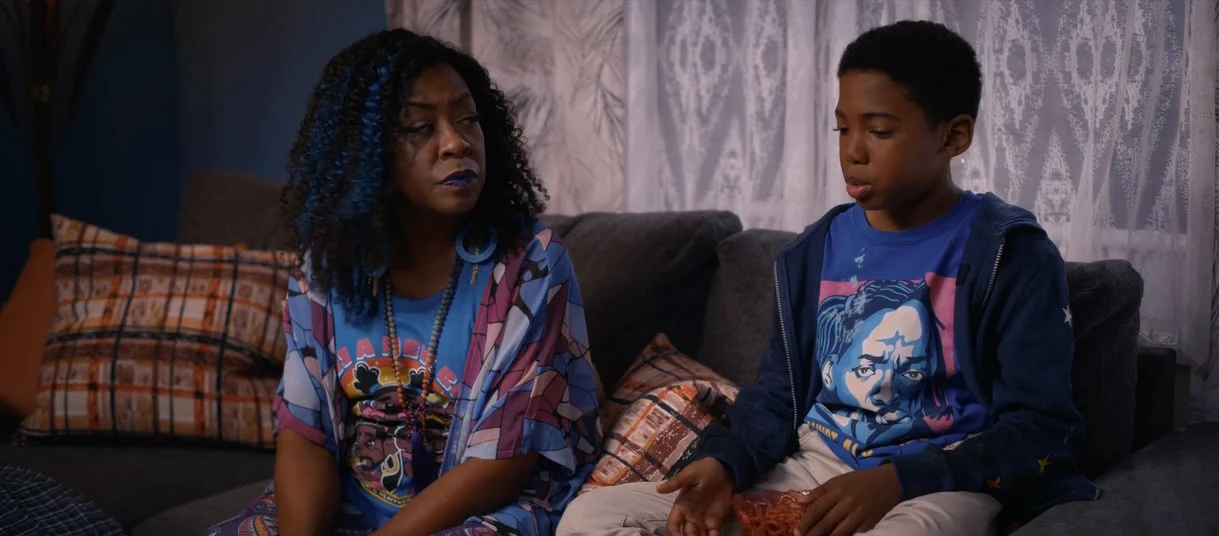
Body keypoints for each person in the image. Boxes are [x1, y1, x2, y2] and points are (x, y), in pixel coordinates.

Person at [557, 20, 1097, 536]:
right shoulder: (812, 253)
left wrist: (897, 481)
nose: (852, 151)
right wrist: (724, 462)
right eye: (843, 128)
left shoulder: (1008, 254)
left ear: (953, 137)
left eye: (879, 131)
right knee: (592, 517)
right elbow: (775, 397)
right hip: (816, 468)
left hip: (939, 483)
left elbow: (1041, 426)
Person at [204, 29, 601, 536]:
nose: (456, 143)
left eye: (468, 119)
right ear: (366, 151)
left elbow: (505, 461)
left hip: (483, 514)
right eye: (420, 127)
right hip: (352, 510)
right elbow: (306, 432)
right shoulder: (325, 268)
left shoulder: (530, 265)